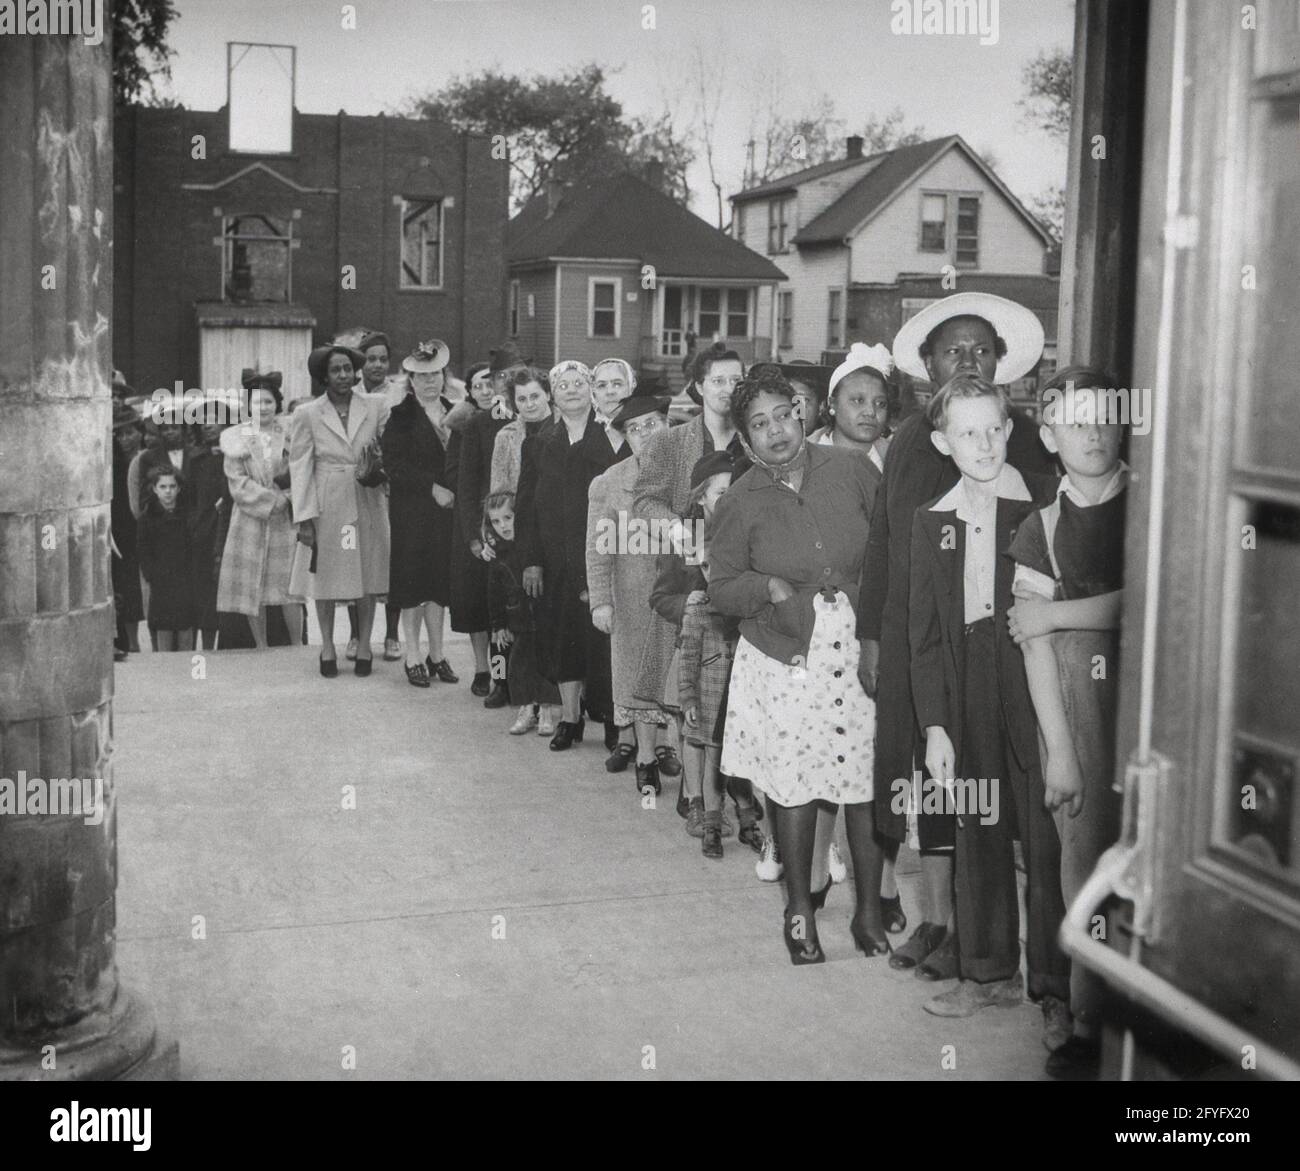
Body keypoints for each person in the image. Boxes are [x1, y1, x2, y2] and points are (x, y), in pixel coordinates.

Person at [858, 291, 1052, 981]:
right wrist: (872, 636)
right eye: (953, 348)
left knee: (993, 788)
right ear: (929, 364)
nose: (967, 357)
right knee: (930, 782)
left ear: (1001, 362)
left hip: (994, 644)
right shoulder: (912, 439)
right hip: (917, 635)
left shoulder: (1022, 441)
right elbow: (883, 542)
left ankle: (987, 935)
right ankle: (939, 918)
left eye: (981, 348)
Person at [710, 367, 886, 964]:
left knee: (861, 778)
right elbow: (722, 589)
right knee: (797, 782)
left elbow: (887, 555)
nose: (777, 430)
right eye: (759, 424)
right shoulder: (738, 501)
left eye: (784, 414)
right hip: (786, 658)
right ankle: (799, 911)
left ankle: (867, 912)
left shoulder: (854, 471)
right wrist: (768, 586)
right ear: (743, 439)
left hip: (858, 647)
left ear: (803, 412)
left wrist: (879, 632)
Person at [908, 372, 1068, 1030]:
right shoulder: (931, 520)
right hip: (964, 675)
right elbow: (925, 636)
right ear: (943, 442)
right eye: (966, 432)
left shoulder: (1039, 509)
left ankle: (1058, 988)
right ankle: (988, 969)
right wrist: (937, 727)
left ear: (1009, 429)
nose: (982, 443)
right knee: (976, 823)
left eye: (992, 429)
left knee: (1045, 829)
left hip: (1029, 667)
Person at [1007, 365, 1127, 1077]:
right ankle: (1088, 1019)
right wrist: (1060, 750)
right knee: (1084, 864)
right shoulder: (1041, 527)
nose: (1094, 431)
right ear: (1049, 435)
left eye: (1106, 416)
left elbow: (1142, 603)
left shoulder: (1153, 504)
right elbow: (1033, 643)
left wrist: (1057, 611)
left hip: (1145, 714)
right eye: (1076, 419)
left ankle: (1152, 1021)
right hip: (1077, 717)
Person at [631, 342, 747, 800]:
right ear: (698, 387)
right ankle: (692, 792)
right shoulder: (671, 441)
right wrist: (681, 530)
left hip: (738, 577)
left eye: (736, 380)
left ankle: (725, 789)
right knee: (685, 683)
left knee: (731, 684)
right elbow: (644, 501)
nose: (727, 389)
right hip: (683, 576)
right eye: (717, 380)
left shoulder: (753, 440)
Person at [516, 360, 618, 749]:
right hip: (556, 561)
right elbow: (526, 508)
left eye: (579, 383)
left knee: (602, 640)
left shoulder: (610, 438)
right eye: (563, 385)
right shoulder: (538, 445)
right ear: (553, 396)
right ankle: (570, 720)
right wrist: (531, 560)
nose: (572, 390)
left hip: (602, 556)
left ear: (590, 390)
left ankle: (611, 720)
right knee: (562, 639)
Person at [586, 395, 675, 792]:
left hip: (678, 596)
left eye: (651, 424)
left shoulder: (689, 474)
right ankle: (643, 757)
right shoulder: (610, 482)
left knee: (675, 675)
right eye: (634, 429)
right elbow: (597, 547)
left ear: (667, 426)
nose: (644, 434)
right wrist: (601, 600)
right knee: (637, 675)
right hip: (632, 596)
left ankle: (666, 748)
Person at [290, 342, 391, 677]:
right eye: (336, 370)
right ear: (324, 375)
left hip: (366, 497)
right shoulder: (307, 413)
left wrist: (380, 467)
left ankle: (364, 645)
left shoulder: (375, 405)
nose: (344, 375)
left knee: (365, 571)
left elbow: (389, 447)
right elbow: (300, 466)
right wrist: (304, 518)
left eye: (348, 368)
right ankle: (328, 647)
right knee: (326, 577)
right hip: (327, 501)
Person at [381, 339, 458, 688]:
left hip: (447, 514)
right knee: (413, 584)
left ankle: (437, 654)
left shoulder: (456, 412)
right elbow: (393, 466)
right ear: (410, 380)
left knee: (438, 584)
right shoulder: (400, 417)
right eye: (421, 376)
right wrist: (432, 487)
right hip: (412, 511)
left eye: (435, 374)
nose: (429, 381)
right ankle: (413, 655)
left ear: (444, 376)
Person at [457, 342, 524, 709]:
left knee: (528, 612)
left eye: (515, 375)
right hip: (495, 530)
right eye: (502, 377)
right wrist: (474, 534)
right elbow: (467, 487)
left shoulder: (536, 417)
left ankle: (531, 683)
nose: (508, 383)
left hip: (527, 528)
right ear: (495, 383)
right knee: (496, 614)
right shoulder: (478, 425)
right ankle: (499, 680)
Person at [216, 371, 302, 648]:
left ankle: (298, 643)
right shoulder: (236, 439)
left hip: (284, 519)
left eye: (267, 401)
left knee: (289, 585)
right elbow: (237, 483)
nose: (262, 407)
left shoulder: (290, 434)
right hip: (250, 520)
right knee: (253, 583)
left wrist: (286, 497)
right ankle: (261, 644)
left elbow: (301, 471)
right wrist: (269, 500)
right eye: (256, 402)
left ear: (276, 403)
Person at [483, 491, 561, 734]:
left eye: (507, 517)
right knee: (518, 667)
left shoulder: (535, 546)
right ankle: (526, 709)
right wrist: (498, 625)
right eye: (496, 521)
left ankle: (546, 711)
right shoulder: (497, 553)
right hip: (516, 619)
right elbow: (494, 593)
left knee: (545, 663)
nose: (503, 526)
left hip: (542, 617)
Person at [445, 360, 497, 695]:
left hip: (505, 520)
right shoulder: (463, 427)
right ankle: (482, 668)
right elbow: (453, 475)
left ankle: (502, 672)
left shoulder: (512, 419)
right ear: (470, 392)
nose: (485, 390)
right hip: (473, 517)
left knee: (501, 609)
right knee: (476, 604)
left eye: (490, 383)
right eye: (477, 385)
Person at [184, 415, 233, 650]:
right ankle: (206, 645)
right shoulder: (195, 459)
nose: (207, 425)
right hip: (204, 532)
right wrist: (195, 523)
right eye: (202, 421)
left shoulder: (234, 454)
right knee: (204, 589)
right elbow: (189, 497)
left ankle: (231, 642)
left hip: (232, 528)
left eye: (213, 419)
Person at [137, 465, 195, 651]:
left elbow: (193, 547)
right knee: (163, 627)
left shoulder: (188, 516)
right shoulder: (146, 519)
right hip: (160, 582)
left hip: (184, 580)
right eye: (163, 487)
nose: (168, 491)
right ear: (154, 489)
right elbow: (143, 550)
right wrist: (152, 574)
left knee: (185, 625)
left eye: (172, 486)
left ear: (179, 488)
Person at [111, 400, 145, 659]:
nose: (125, 439)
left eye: (129, 432)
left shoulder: (148, 459)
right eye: (120, 434)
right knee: (125, 584)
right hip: (122, 531)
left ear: (140, 432)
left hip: (147, 528)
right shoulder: (113, 465)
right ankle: (131, 642)